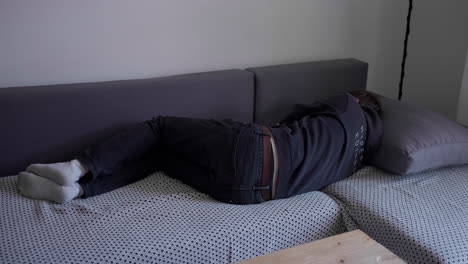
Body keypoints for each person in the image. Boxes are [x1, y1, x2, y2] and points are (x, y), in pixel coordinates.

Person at [17, 91, 383, 204]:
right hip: (247, 195)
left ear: (363, 100)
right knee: (160, 157)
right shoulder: (356, 161)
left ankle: (76, 167)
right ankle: (79, 191)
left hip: (256, 150)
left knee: (160, 127)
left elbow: (296, 112)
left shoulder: (349, 107)